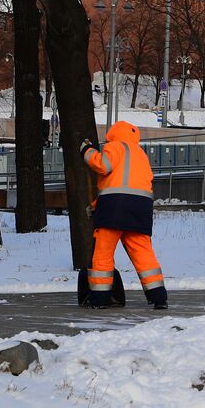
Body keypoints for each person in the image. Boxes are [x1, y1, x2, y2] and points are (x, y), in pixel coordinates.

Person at [80, 121, 168, 308]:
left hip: (114, 208)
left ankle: (101, 298)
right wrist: (97, 205)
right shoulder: (141, 154)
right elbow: (126, 184)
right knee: (143, 253)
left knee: (103, 252)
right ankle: (159, 297)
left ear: (113, 134)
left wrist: (86, 150)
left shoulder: (115, 147)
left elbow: (102, 166)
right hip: (141, 208)